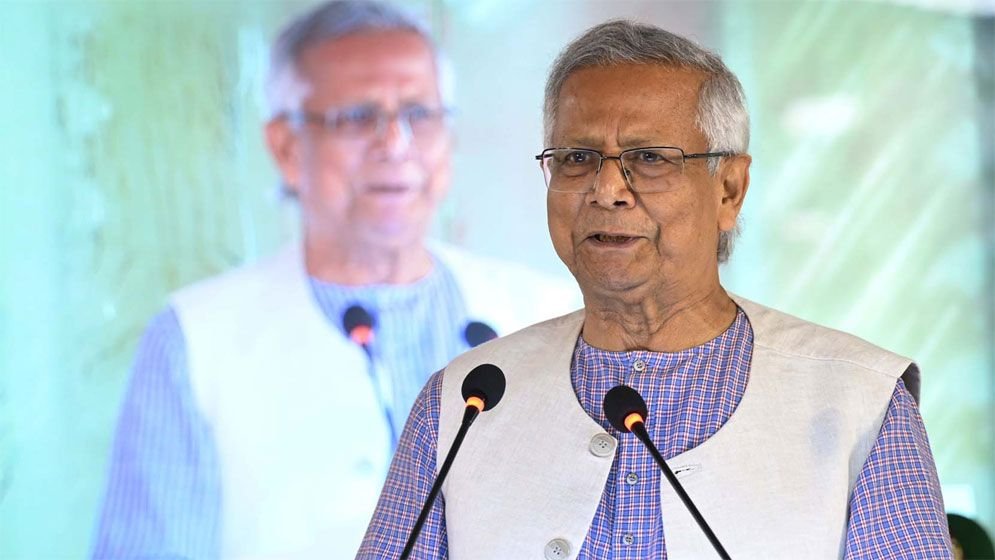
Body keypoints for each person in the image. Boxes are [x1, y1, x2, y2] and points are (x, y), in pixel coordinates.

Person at [360, 19, 953, 559]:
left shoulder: (861, 403)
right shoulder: (463, 403)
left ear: (729, 190)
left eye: (648, 158)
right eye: (576, 157)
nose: (606, 190)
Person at [91, 2, 579, 558]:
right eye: (357, 117)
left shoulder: (551, 311)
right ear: (286, 147)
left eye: (419, 114)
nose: (395, 145)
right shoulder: (195, 341)